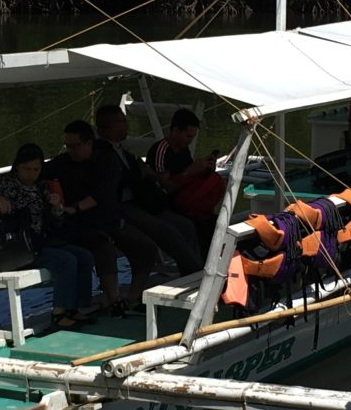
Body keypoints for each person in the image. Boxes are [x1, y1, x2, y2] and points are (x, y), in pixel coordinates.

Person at [47, 119, 162, 311]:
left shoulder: (107, 161)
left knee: (146, 247)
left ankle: (133, 297)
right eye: (68, 146)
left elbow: (103, 194)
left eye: (76, 146)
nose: (71, 150)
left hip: (108, 219)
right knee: (103, 246)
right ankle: (114, 299)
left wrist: (75, 207)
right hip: (78, 225)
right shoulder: (59, 164)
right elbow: (39, 177)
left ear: (89, 143)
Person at [0, 143, 96, 330]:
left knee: (84, 256)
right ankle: (59, 314)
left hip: (40, 241)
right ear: (17, 166)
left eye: (36, 169)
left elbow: (55, 222)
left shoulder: (41, 187)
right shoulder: (3, 182)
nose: (31, 173)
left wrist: (56, 208)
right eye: (26, 168)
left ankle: (75, 308)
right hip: (16, 248)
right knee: (65, 260)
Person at [93, 104, 203, 274]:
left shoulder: (121, 151)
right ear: (111, 125)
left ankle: (194, 271)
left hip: (142, 201)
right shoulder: (102, 153)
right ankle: (197, 275)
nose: (127, 124)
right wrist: (141, 174)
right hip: (123, 205)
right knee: (168, 232)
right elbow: (114, 183)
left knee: (186, 225)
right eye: (123, 121)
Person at [148, 108, 227, 238]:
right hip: (170, 205)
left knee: (217, 223)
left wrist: (205, 168)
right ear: (175, 131)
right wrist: (189, 172)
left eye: (193, 137)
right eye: (188, 136)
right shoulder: (161, 151)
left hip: (188, 201)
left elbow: (189, 173)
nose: (190, 140)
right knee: (198, 228)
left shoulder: (183, 149)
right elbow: (165, 188)